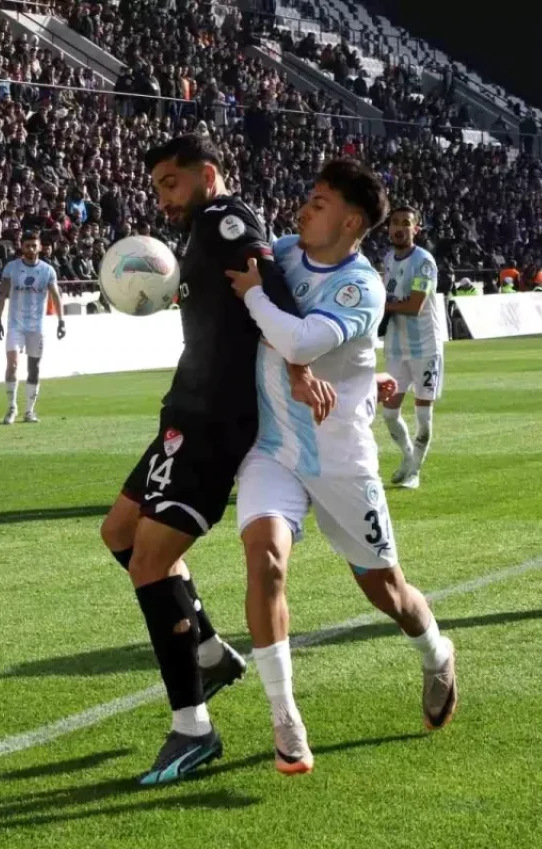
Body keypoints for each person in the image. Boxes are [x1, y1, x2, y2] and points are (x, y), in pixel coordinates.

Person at [98, 134, 335, 786]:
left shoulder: (225, 220)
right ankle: (207, 650)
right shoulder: (201, 232)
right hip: (185, 412)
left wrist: (298, 368)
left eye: (171, 183)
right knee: (119, 533)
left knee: (150, 563)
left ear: (206, 175)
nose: (163, 198)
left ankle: (193, 730)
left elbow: (272, 285)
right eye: (157, 188)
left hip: (213, 423)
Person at [227, 159, 457, 775]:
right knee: (264, 558)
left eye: (320, 203)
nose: (304, 209)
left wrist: (255, 298)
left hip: (340, 458)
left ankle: (436, 653)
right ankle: (285, 717)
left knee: (387, 591)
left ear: (351, 222)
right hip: (273, 447)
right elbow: (275, 329)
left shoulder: (362, 287)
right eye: (309, 198)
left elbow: (300, 339)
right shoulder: (282, 252)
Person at [380, 206, 444, 490]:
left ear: (416, 229)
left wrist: (384, 307)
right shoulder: (387, 259)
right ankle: (408, 457)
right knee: (389, 413)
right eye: (395, 223)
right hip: (396, 347)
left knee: (423, 415)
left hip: (425, 347)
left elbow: (415, 305)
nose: (399, 228)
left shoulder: (424, 261)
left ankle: (415, 472)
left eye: (406, 223)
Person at [0, 233, 65, 424]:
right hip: (15, 325)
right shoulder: (12, 268)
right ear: (22, 247)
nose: (31, 249)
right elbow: (1, 294)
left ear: (40, 247)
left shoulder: (47, 270)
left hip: (36, 327)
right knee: (12, 365)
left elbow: (55, 296)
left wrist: (61, 321)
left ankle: (29, 411)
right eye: (27, 245)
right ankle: (12, 408)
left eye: (34, 245)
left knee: (34, 368)